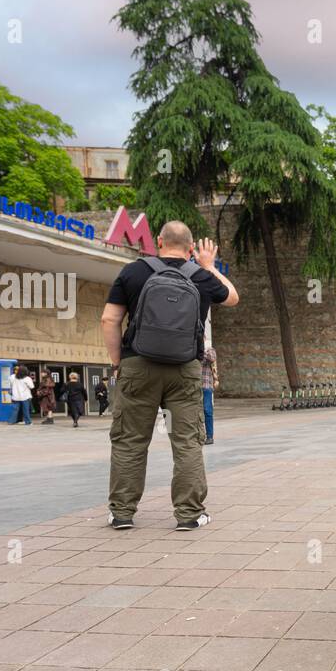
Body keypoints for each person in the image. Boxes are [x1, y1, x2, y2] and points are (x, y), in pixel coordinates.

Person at [100, 221, 238, 530]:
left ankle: (122, 513)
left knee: (129, 440)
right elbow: (231, 297)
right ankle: (189, 515)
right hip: (185, 369)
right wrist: (208, 266)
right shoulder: (200, 276)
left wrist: (119, 361)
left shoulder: (133, 272)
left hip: (138, 366)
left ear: (158, 241)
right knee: (186, 441)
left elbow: (109, 318)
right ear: (191, 248)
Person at [201, 342, 219, 445]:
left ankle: (210, 436)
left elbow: (212, 357)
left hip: (206, 386)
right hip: (194, 387)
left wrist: (199, 351)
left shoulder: (209, 350)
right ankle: (199, 435)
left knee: (207, 411)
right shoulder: (191, 350)